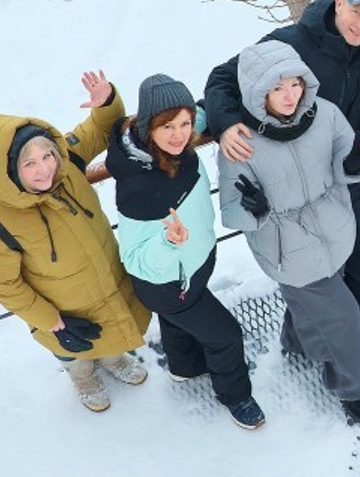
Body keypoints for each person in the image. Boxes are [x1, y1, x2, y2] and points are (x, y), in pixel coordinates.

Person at [203, 0, 360, 335]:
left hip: (343, 162)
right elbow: (223, 78)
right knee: (314, 259)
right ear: (339, 3)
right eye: (357, 12)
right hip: (296, 169)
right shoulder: (293, 42)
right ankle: (317, 331)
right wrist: (225, 123)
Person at [218, 42, 360, 424]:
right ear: (259, 92)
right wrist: (255, 208)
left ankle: (297, 340)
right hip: (287, 248)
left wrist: (355, 162)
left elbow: (345, 163)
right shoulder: (241, 141)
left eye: (294, 84)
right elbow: (232, 209)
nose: (289, 95)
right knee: (345, 318)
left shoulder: (325, 114)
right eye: (277, 88)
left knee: (320, 307)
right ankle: (356, 388)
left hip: (335, 228)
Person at [108, 74, 265, 430]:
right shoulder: (138, 187)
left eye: (185, 124)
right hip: (169, 284)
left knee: (176, 322)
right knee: (225, 336)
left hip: (190, 268)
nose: (180, 135)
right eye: (168, 127)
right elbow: (135, 260)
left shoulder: (177, 140)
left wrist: (228, 118)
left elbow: (207, 108)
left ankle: (185, 366)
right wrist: (167, 243)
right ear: (148, 127)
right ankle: (236, 397)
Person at [0, 72, 150, 412]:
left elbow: (100, 129)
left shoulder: (67, 164)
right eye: (29, 164)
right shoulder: (4, 217)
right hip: (63, 313)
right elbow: (6, 285)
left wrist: (106, 102)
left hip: (107, 282)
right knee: (75, 354)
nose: (45, 170)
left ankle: (114, 360)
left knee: (112, 332)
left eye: (47, 156)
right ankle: (83, 379)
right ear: (8, 171)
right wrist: (52, 322)